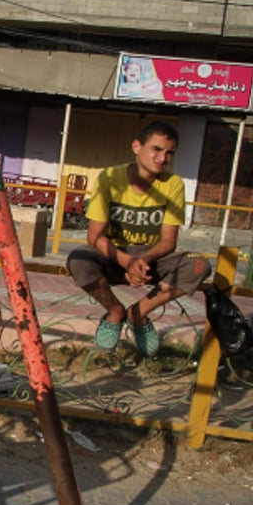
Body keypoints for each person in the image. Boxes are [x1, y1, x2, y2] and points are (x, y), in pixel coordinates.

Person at [66, 121, 210, 357]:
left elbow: (168, 242)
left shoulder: (173, 184)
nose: (162, 158)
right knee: (78, 260)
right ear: (136, 146)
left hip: (151, 259)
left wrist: (142, 260)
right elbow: (95, 236)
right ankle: (115, 312)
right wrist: (127, 262)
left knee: (199, 265)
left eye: (169, 152)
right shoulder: (110, 177)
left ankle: (138, 313)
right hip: (112, 256)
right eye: (156, 149)